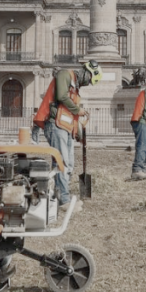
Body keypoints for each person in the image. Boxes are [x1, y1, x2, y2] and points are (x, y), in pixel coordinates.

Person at [32, 60, 102, 205]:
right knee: (61, 162)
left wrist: (81, 137)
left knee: (69, 164)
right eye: (89, 80)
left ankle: (60, 195)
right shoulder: (64, 74)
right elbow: (61, 96)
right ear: (87, 72)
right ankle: (63, 200)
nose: (87, 84)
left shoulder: (75, 89)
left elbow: (71, 117)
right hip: (55, 125)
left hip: (65, 128)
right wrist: (78, 109)